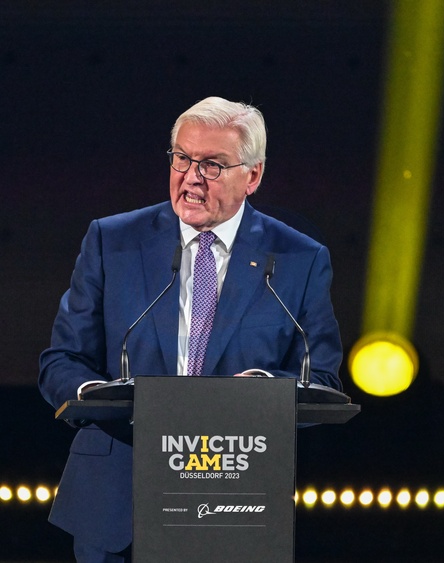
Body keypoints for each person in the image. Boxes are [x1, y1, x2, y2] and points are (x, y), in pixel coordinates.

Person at [39, 96, 343, 562]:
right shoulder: (112, 241)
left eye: (212, 165)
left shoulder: (298, 259)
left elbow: (320, 379)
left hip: (236, 500)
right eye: (181, 158)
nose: (191, 178)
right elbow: (62, 361)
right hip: (118, 501)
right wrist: (97, 394)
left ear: (253, 176)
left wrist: (263, 391)